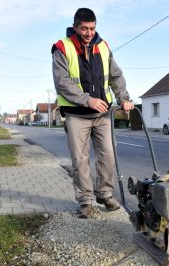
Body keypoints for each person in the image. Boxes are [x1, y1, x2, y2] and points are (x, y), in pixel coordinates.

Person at [52, 8, 134, 218]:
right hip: (77, 114)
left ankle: (105, 194)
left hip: (102, 115)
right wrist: (88, 100)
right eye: (84, 29)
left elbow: (116, 75)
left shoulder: (103, 46)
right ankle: (85, 201)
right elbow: (62, 83)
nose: (89, 33)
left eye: (92, 28)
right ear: (75, 26)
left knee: (108, 155)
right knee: (80, 160)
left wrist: (123, 97)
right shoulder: (62, 47)